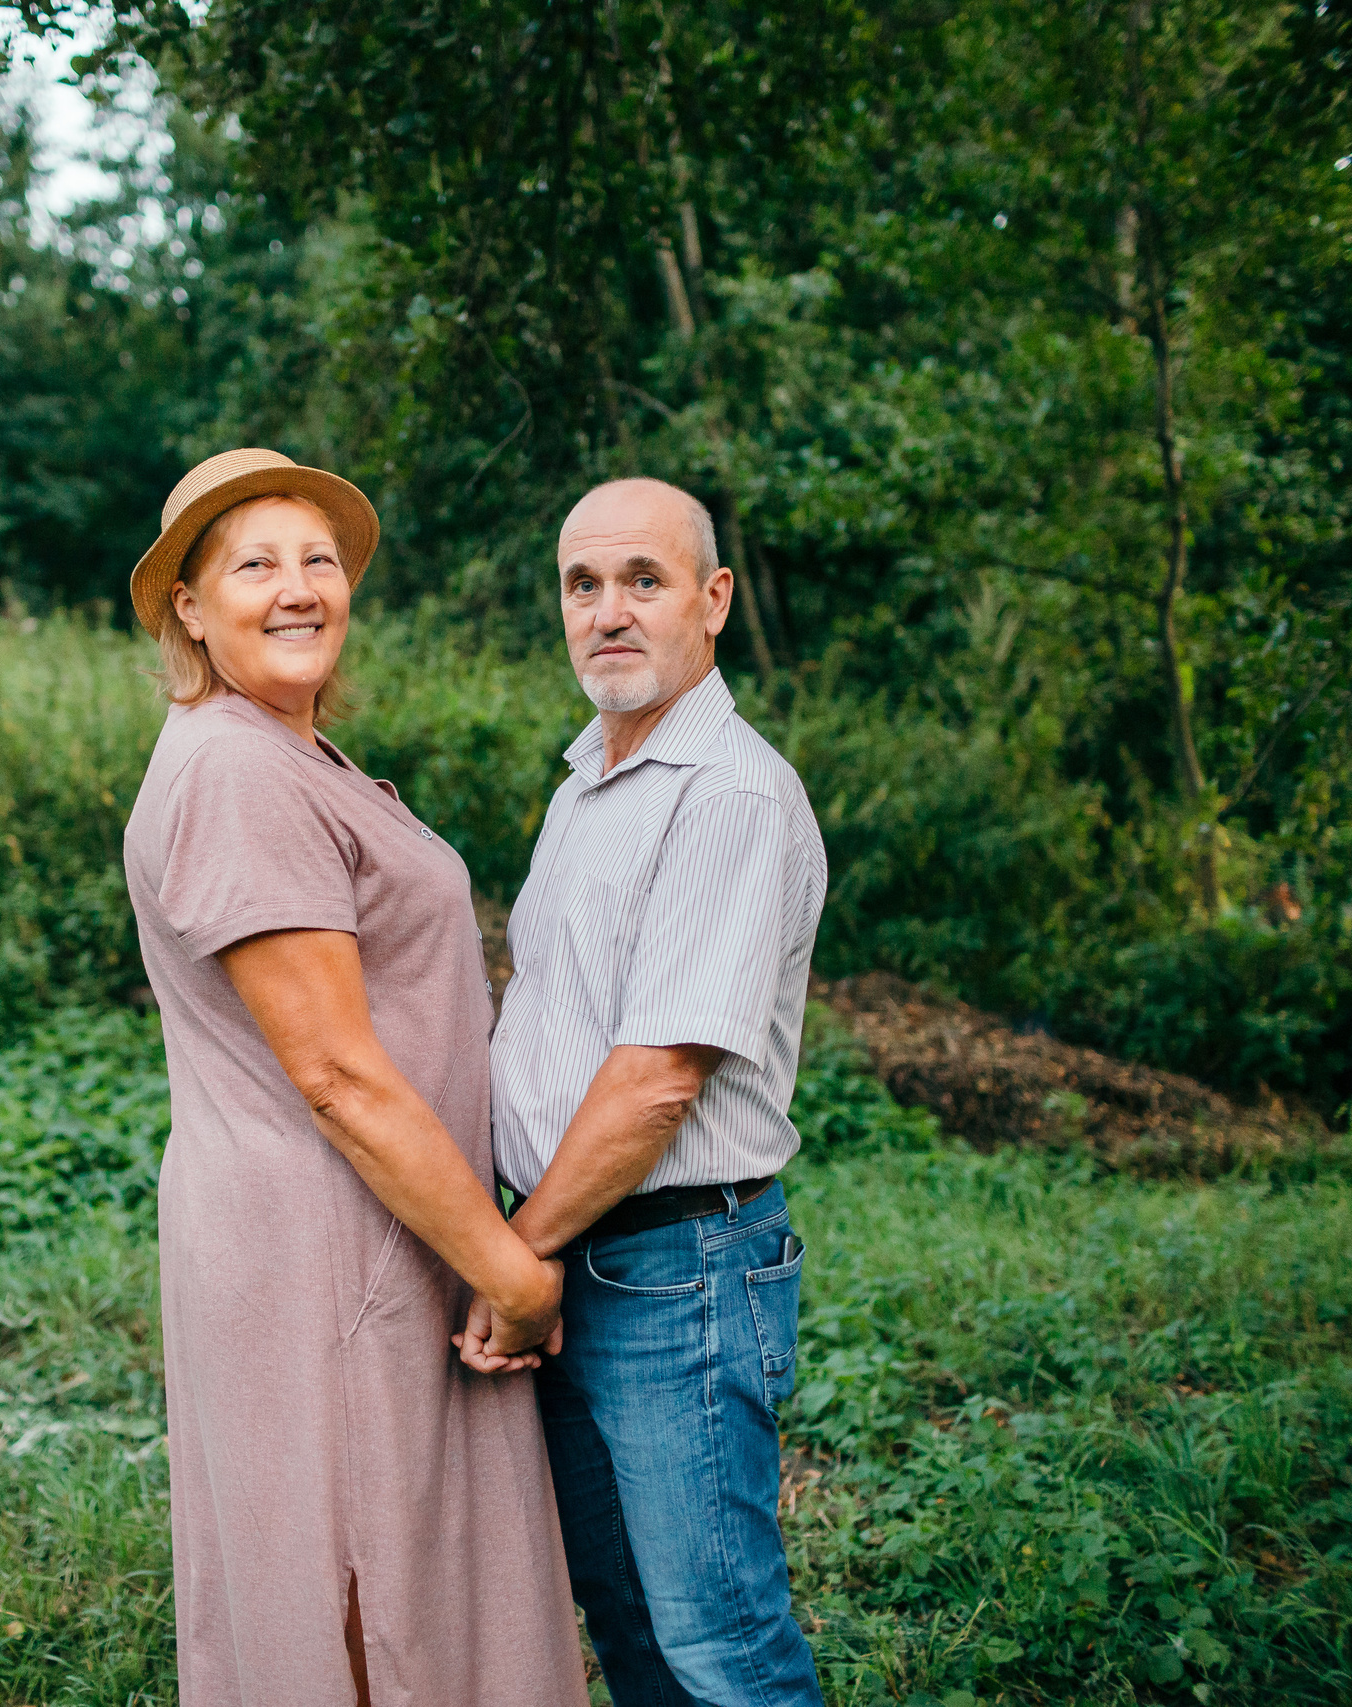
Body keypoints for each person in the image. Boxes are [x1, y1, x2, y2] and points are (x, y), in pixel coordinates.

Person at [120, 448, 587, 1707]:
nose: (297, 588)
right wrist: (510, 1271)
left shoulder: (288, 754)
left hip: (357, 1234)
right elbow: (333, 1071)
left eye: (317, 560)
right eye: (254, 564)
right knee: (371, 1595)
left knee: (397, 1578)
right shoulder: (232, 770)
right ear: (189, 605)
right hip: (330, 1250)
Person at [473, 477, 829, 1706]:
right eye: (582, 584)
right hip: (584, 1250)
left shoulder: (723, 792)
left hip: (676, 1269)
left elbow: (656, 1081)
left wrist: (511, 1256)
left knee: (722, 1644)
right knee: (626, 1623)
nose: (607, 612)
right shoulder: (588, 784)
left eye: (644, 580)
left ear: (713, 599)